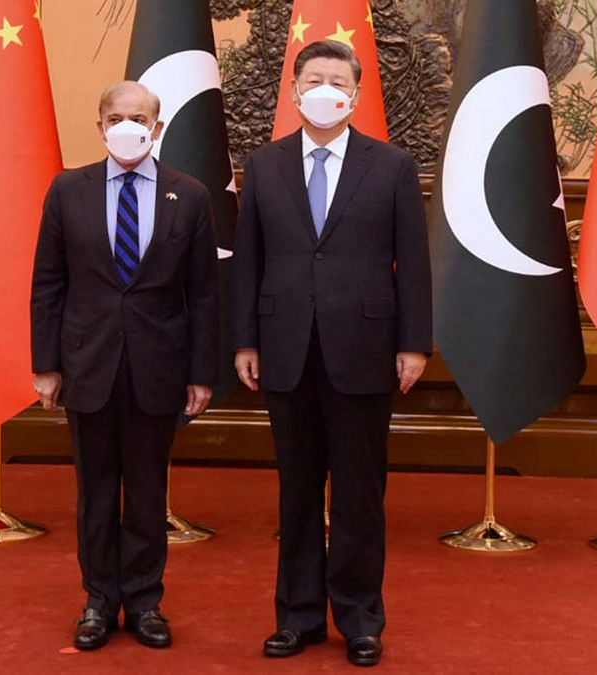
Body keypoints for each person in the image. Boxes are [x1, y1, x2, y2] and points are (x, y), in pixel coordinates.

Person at [229, 40, 433, 667]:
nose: (323, 88)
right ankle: (296, 617)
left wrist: (413, 344)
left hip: (366, 349)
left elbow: (414, 264)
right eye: (312, 78)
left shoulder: (392, 165)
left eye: (335, 80)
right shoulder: (263, 165)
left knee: (359, 494)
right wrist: (244, 339)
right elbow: (249, 261)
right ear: (293, 91)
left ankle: (360, 619)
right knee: (296, 492)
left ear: (356, 93)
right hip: (284, 348)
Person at [31, 80, 219, 652]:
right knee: (95, 490)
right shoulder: (68, 190)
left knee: (144, 491)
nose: (127, 126)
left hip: (158, 367)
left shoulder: (190, 195)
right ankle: (97, 600)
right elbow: (48, 283)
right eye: (116, 116)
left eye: (139, 117)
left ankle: (144, 601)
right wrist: (46, 365)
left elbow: (206, 293)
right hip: (87, 364)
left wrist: (201, 371)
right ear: (100, 125)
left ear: (157, 128)